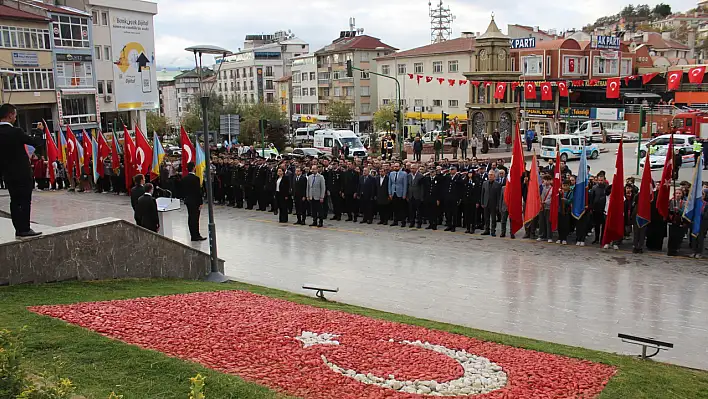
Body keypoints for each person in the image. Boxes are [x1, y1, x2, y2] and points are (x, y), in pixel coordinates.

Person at [0, 104, 43, 238]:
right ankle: (24, 228)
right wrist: (39, 131)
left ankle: (18, 228)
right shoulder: (16, 132)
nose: (15, 118)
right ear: (10, 115)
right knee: (25, 200)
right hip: (22, 173)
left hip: (8, 174)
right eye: (14, 115)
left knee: (14, 200)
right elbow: (35, 142)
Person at [182, 162, 206, 241]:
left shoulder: (184, 178)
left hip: (188, 200)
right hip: (195, 201)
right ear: (193, 168)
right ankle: (196, 235)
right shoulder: (196, 178)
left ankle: (192, 234)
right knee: (195, 218)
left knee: (190, 217)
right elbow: (197, 191)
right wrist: (201, 202)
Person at [481, 170, 502, 236]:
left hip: (494, 204)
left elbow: (499, 196)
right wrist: (482, 202)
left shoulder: (498, 184)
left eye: (491, 175)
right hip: (486, 203)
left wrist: (498, 205)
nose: (490, 176)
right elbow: (482, 193)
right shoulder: (484, 183)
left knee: (493, 218)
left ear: (494, 176)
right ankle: (487, 229)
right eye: (489, 175)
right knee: (486, 218)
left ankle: (493, 231)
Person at [443, 166, 463, 232]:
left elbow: (460, 188)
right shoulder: (447, 177)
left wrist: (459, 198)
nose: (451, 171)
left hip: (454, 197)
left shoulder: (458, 177)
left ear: (455, 170)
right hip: (448, 197)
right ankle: (449, 225)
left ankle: (454, 226)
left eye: (452, 170)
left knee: (454, 213)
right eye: (450, 170)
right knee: (448, 212)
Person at [388, 162, 408, 227]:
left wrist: (404, 194)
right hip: (394, 192)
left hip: (401, 193)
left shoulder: (404, 174)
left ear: (400, 167)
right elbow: (390, 184)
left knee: (402, 208)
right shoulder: (391, 173)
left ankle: (403, 222)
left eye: (397, 166)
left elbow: (405, 185)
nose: (395, 168)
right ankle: (395, 221)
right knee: (394, 208)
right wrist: (390, 193)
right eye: (394, 166)